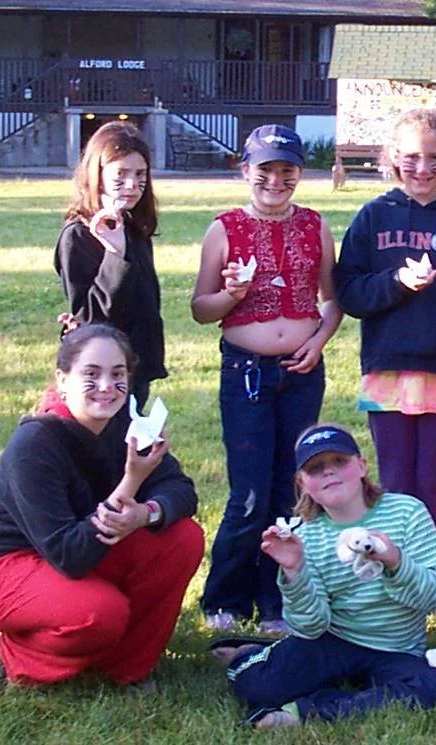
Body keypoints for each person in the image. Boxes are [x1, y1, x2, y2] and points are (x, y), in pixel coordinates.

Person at [0, 324, 204, 688]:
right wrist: (132, 481)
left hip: (78, 550)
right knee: (99, 613)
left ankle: (126, 667)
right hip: (6, 565)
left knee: (183, 537)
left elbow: (181, 491)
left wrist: (144, 513)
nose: (106, 387)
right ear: (63, 380)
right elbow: (68, 554)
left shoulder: (125, 424)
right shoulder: (35, 442)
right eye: (91, 374)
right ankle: (22, 658)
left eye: (117, 374)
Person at [191, 124, 342, 634]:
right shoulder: (225, 228)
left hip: (302, 372)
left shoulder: (316, 226)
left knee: (291, 489)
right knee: (249, 493)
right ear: (246, 171)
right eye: (265, 170)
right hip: (247, 373)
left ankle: (276, 597)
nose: (275, 181)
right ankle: (225, 598)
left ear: (299, 174)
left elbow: (332, 298)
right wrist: (233, 294)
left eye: (287, 171)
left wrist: (318, 342)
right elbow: (200, 308)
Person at [213, 424, 436, 729]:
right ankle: (250, 653)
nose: (329, 472)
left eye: (339, 462)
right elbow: (311, 625)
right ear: (303, 483)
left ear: (361, 466)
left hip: (396, 648)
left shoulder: (408, 512)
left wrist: (395, 562)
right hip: (334, 639)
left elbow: (434, 596)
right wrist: (295, 571)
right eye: (316, 469)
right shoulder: (306, 536)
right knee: (256, 687)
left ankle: (310, 709)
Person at [333, 108, 436, 518]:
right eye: (411, 158)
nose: (423, 168)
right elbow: (349, 291)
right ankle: (397, 572)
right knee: (397, 483)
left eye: (434, 158)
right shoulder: (373, 216)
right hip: (387, 370)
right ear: (392, 158)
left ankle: (435, 576)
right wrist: (397, 282)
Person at [55, 121, 165, 410]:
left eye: (140, 175)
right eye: (121, 175)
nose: (132, 185)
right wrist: (115, 254)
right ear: (98, 175)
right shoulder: (78, 235)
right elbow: (89, 316)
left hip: (137, 361)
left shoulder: (132, 226)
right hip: (104, 371)